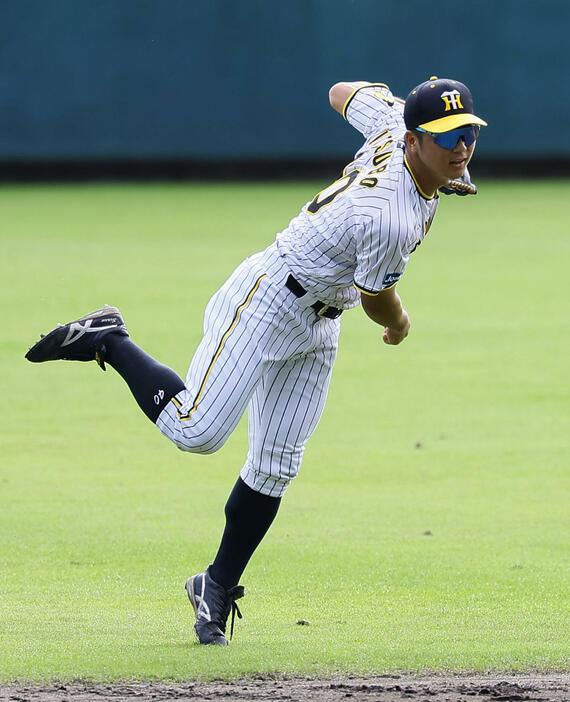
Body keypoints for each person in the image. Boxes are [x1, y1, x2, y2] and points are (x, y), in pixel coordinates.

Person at [26, 76, 486, 646]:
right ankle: (109, 339)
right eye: (446, 137)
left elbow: (340, 92)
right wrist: (400, 323)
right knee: (197, 430)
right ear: (415, 140)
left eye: (468, 132)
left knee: (275, 466)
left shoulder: (395, 123)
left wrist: (423, 146)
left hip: (319, 320)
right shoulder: (389, 214)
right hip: (269, 296)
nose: (461, 147)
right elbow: (377, 302)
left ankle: (214, 587)